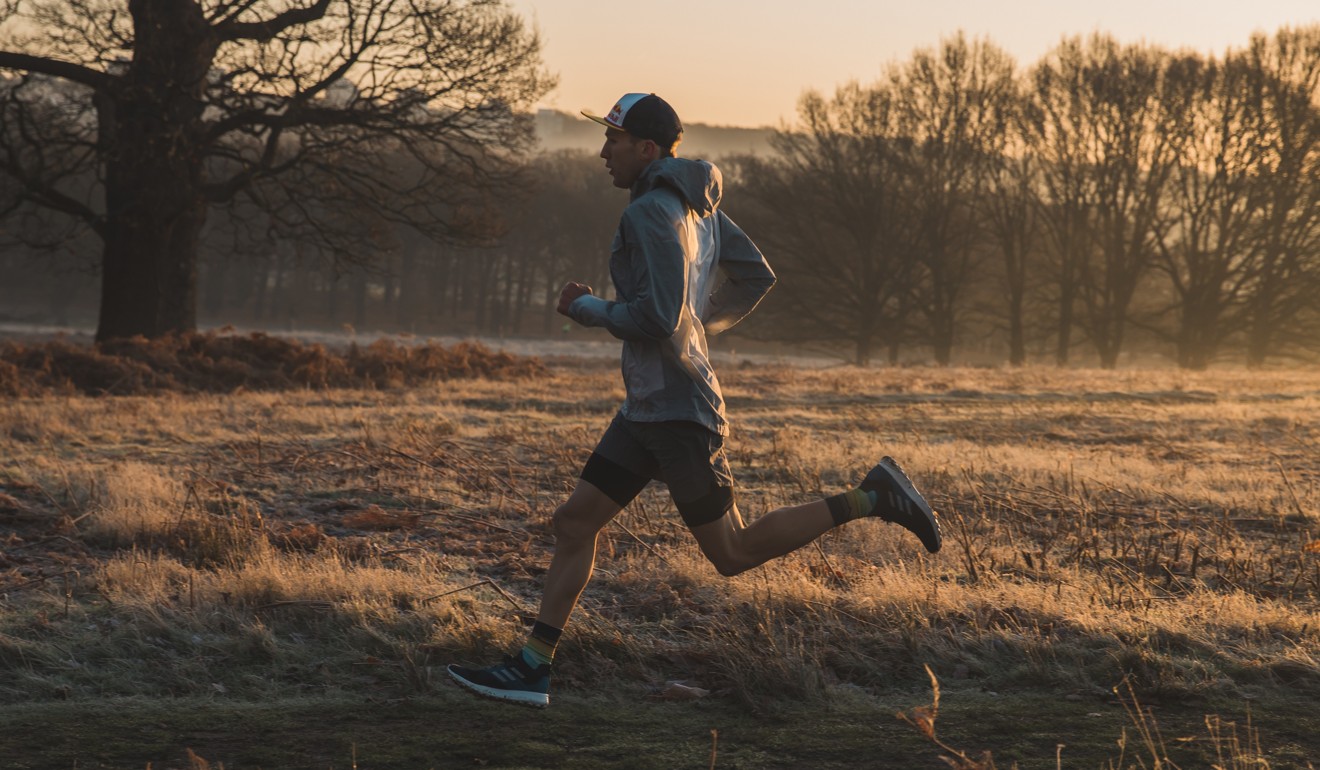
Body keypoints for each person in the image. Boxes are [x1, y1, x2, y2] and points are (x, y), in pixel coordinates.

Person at [447, 93, 941, 708]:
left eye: (614, 140)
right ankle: (531, 670)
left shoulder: (651, 212)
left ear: (646, 149)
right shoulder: (696, 208)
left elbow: (655, 317)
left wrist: (587, 309)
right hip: (648, 410)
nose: (604, 151)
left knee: (732, 552)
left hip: (679, 413)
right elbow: (753, 276)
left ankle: (876, 495)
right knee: (574, 523)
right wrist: (697, 324)